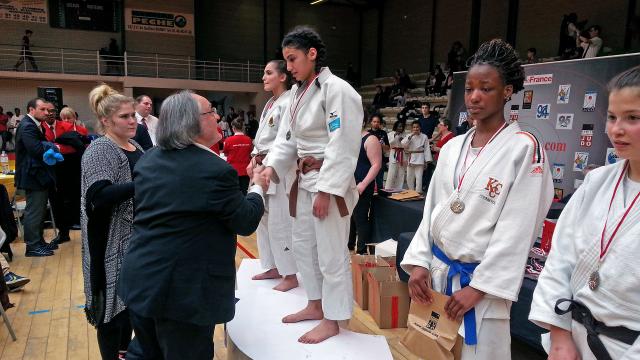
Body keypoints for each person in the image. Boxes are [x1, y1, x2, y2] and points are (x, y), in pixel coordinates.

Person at [400, 39, 554, 359]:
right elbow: (432, 212)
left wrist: (480, 287)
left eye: (486, 88)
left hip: (481, 288)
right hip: (439, 277)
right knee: (433, 352)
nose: (474, 97)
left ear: (508, 91)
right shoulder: (453, 147)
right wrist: (419, 263)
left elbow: (518, 229)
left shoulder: (524, 149)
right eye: (469, 88)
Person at [119, 91, 266, 359]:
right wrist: (257, 187)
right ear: (192, 122)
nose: (218, 117)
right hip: (184, 294)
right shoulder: (214, 170)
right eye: (211, 112)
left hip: (142, 280)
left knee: (145, 352)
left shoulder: (150, 159)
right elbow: (245, 221)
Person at [529, 65, 640, 360]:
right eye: (613, 117)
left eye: (633, 118)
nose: (617, 129)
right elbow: (560, 260)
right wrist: (560, 336)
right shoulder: (597, 181)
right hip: (571, 341)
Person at [260, 26, 362, 344]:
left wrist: (328, 190)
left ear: (312, 54)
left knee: (331, 252)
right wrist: (270, 168)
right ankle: (315, 304)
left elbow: (342, 143)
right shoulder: (299, 94)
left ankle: (334, 319)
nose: (288, 67)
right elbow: (287, 140)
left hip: (328, 181)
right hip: (304, 179)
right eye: (286, 60)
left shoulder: (337, 90)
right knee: (303, 244)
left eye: (293, 59)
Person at [81, 84, 143, 359]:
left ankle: (124, 353)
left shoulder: (136, 145)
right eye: (125, 117)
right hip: (109, 242)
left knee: (130, 308)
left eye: (133, 116)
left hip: (136, 239)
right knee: (110, 312)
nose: (132, 121)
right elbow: (99, 195)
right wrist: (143, 184)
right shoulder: (101, 150)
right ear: (105, 121)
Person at [249, 60, 299, 292]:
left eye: (268, 73)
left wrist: (267, 165)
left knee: (280, 220)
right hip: (261, 164)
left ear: (282, 77)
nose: (264, 77)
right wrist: (253, 159)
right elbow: (261, 139)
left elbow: (285, 142)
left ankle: (290, 274)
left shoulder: (290, 101)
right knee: (263, 217)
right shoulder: (270, 102)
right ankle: (272, 266)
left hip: (278, 168)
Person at [15, 98, 57, 257]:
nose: (47, 113)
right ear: (31, 110)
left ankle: (38, 242)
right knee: (34, 211)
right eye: (43, 109)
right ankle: (32, 246)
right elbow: (37, 150)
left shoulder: (33, 125)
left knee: (39, 212)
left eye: (48, 110)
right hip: (32, 176)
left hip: (37, 175)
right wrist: (52, 146)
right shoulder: (27, 126)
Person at [348, 117, 382, 254]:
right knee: (350, 217)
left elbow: (376, 165)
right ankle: (349, 245)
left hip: (362, 184)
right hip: (349, 183)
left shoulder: (370, 139)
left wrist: (363, 184)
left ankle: (361, 250)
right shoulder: (350, 138)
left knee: (360, 217)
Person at [224, 118, 253, 195]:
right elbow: (251, 153)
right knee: (244, 193)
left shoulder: (228, 140)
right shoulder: (249, 140)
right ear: (243, 128)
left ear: (233, 128)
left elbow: (226, 153)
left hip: (232, 171)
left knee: (233, 194)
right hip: (245, 171)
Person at [401, 121, 432, 193]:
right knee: (409, 176)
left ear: (420, 127)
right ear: (412, 128)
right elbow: (403, 144)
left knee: (419, 177)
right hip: (411, 157)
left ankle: (418, 191)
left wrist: (427, 160)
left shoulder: (424, 136)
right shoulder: (409, 136)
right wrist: (411, 136)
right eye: (414, 127)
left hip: (420, 158)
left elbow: (427, 148)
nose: (416, 129)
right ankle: (411, 191)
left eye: (417, 127)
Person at [368, 114, 389, 190]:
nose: (376, 123)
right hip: (368, 160)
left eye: (378, 122)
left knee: (379, 180)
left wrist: (382, 145)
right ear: (371, 122)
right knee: (369, 180)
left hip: (380, 159)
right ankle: (369, 197)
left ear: (380, 123)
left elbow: (388, 148)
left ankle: (380, 199)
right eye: (374, 121)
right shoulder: (367, 133)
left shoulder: (383, 133)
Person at [386, 121, 407, 189]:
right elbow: (389, 144)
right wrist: (395, 136)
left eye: (401, 126)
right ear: (396, 126)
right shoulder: (390, 134)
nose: (400, 128)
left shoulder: (405, 135)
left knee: (401, 173)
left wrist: (403, 140)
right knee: (392, 172)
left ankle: (398, 189)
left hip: (402, 154)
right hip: (394, 152)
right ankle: (388, 188)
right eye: (399, 126)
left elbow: (407, 146)